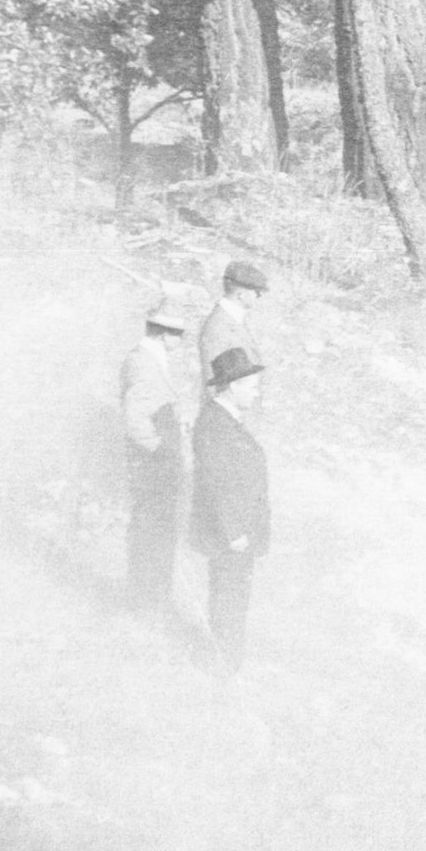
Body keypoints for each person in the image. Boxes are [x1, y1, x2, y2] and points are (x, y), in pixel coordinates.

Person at [191, 346, 270, 674]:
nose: (256, 393)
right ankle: (224, 668)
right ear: (234, 386)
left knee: (234, 598)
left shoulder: (224, 420)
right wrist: (234, 532)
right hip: (231, 536)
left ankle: (227, 663)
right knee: (228, 599)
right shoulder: (215, 425)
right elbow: (218, 484)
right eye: (252, 386)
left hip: (238, 532)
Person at [120, 294, 193, 612]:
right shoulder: (141, 362)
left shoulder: (152, 359)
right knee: (150, 532)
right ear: (164, 333)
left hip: (157, 463)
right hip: (151, 465)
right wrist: (162, 449)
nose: (181, 339)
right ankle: (144, 601)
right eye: (178, 333)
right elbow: (135, 420)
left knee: (158, 531)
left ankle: (152, 600)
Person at [200, 260, 268, 398]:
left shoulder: (233, 319)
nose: (259, 297)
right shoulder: (219, 326)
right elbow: (215, 382)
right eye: (257, 293)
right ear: (241, 295)